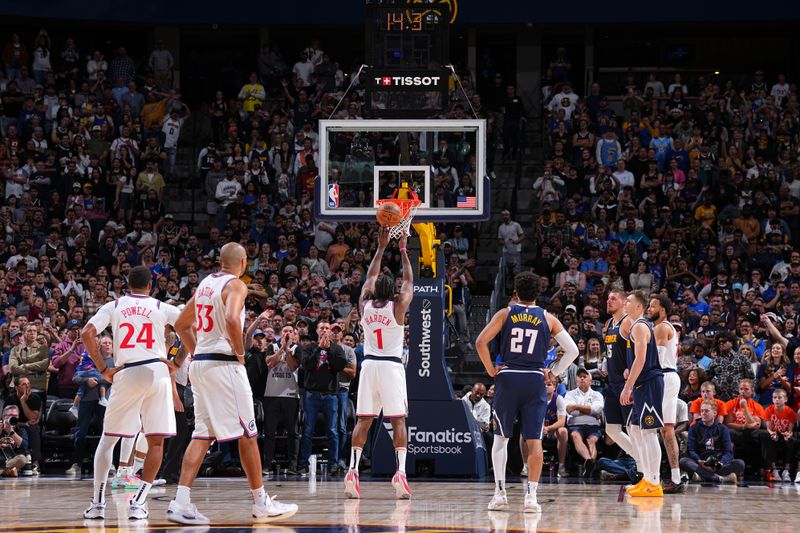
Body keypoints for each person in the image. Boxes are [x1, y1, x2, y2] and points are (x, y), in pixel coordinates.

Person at [168, 243, 298, 525]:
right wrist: (240, 353)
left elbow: (180, 324)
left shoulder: (204, 284)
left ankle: (180, 501)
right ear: (243, 262)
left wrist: (196, 353)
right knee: (248, 433)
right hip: (223, 365)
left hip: (200, 365)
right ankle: (261, 502)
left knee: (202, 434)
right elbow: (230, 318)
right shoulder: (237, 285)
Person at [80, 266, 181, 520]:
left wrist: (103, 368)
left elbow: (86, 333)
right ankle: (138, 503)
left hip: (127, 371)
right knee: (156, 440)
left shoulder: (115, 306)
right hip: (158, 371)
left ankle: (97, 504)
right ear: (151, 286)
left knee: (108, 439)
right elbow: (191, 330)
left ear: (127, 285)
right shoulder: (161, 307)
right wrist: (177, 363)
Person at [476, 271, 579, 513]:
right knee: (534, 440)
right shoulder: (548, 317)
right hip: (534, 380)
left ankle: (500, 493)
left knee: (501, 438)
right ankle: (531, 497)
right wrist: (553, 373)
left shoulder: (506, 313)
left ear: (516, 292)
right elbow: (572, 350)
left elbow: (481, 341)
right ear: (538, 292)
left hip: (508, 378)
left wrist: (491, 368)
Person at [345, 228, 414, 500]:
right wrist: (403, 250)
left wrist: (381, 247)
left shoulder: (364, 305)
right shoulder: (398, 308)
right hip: (391, 367)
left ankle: (352, 472)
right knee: (398, 421)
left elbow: (370, 276)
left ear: (373, 291)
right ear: (393, 291)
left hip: (369, 366)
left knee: (364, 420)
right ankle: (401, 474)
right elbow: (409, 281)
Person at [620, 290, 665, 497]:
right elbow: (637, 361)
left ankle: (654, 482)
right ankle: (647, 478)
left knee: (648, 431)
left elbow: (641, 359)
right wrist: (630, 372)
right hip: (642, 383)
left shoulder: (639, 325)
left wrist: (627, 386)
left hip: (649, 383)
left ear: (638, 306)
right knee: (636, 429)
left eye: (628, 301)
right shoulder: (637, 326)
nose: (625, 303)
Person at [647, 295, 685, 492]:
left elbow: (658, 359)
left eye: (652, 306)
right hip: (668, 376)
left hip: (663, 377)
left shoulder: (661, 327)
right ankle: (675, 477)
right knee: (665, 429)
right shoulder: (665, 327)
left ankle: (654, 477)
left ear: (662, 309)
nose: (648, 309)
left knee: (657, 428)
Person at [602, 289, 640, 481]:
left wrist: (630, 373)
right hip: (612, 384)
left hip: (626, 385)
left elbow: (638, 351)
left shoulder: (627, 322)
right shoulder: (609, 324)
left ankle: (643, 468)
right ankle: (641, 460)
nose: (609, 301)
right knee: (611, 429)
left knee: (633, 429)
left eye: (613, 298)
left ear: (624, 303)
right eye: (608, 298)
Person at [679, 399, 743, 484]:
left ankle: (702, 476)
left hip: (718, 464)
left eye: (706, 411)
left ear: (715, 413)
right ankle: (718, 478)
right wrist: (699, 461)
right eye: (701, 411)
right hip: (700, 463)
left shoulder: (723, 429)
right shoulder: (694, 428)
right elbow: (691, 450)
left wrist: (720, 463)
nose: (703, 413)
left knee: (740, 463)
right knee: (683, 461)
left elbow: (728, 452)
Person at [564, 368, 604, 477]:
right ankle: (590, 462)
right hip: (575, 425)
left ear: (590, 381)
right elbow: (570, 412)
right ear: (576, 381)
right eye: (579, 377)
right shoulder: (569, 394)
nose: (582, 378)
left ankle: (589, 464)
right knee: (575, 435)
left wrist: (576, 407)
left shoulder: (597, 394)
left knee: (591, 440)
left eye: (584, 376)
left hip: (593, 426)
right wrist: (590, 412)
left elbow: (597, 409)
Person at [758, 388, 798, 482]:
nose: (777, 399)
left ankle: (786, 471)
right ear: (772, 399)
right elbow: (768, 428)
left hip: (784, 434)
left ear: (785, 399)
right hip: (775, 433)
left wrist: (788, 434)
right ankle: (774, 470)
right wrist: (772, 433)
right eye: (775, 397)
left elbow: (790, 430)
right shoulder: (768, 410)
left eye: (780, 397)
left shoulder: (790, 412)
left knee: (792, 441)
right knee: (770, 438)